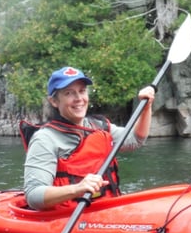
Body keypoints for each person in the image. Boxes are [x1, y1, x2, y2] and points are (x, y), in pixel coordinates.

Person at [21, 66, 155, 210]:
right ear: (54, 101)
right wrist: (78, 189)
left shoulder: (100, 126)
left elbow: (135, 140)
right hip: (64, 218)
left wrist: (146, 107)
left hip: (106, 210)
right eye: (69, 93)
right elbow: (34, 196)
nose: (78, 99)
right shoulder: (45, 139)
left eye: (82, 91)